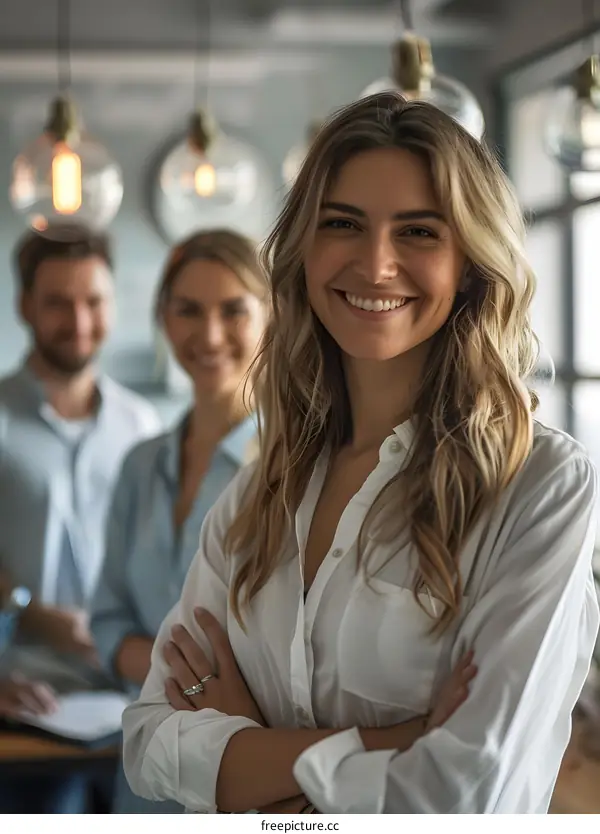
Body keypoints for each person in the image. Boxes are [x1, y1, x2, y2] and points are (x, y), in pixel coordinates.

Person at [121, 92, 600, 815]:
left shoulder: (542, 488)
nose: (376, 265)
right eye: (342, 224)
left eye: (418, 232)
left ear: (472, 262)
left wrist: (251, 763)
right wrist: (395, 740)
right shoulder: (257, 498)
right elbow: (148, 744)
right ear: (304, 251)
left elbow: (462, 797)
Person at [91, 229, 267, 812]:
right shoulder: (141, 465)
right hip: (142, 775)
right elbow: (107, 619)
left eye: (233, 311)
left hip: (237, 772)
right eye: (188, 310)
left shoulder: (289, 470)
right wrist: (184, 677)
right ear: (163, 319)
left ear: (271, 318)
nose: (209, 334)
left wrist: (161, 669)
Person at [0, 225, 161, 812]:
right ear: (24, 307)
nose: (79, 320)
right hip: (22, 707)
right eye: (58, 302)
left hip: (131, 707)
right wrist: (25, 611)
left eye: (93, 301)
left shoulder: (143, 426)